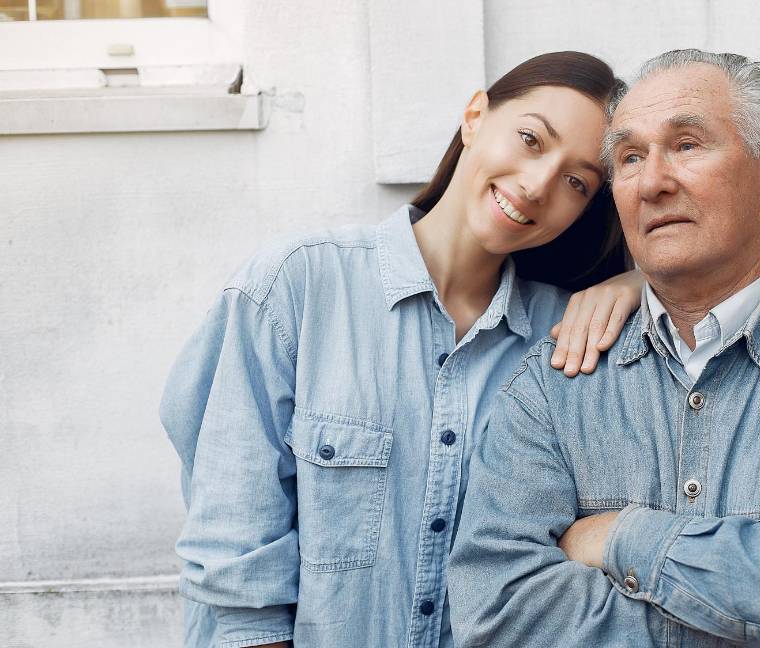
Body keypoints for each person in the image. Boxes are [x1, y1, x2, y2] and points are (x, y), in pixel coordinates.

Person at [447, 49, 760, 647]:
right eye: (631, 158)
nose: (653, 182)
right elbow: (499, 616)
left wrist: (621, 537)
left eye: (686, 145)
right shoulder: (551, 384)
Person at [160, 51, 643, 648]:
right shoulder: (299, 286)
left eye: (577, 182)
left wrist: (643, 283)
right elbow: (233, 555)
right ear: (475, 116)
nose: (538, 184)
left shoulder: (567, 337)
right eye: (530, 139)